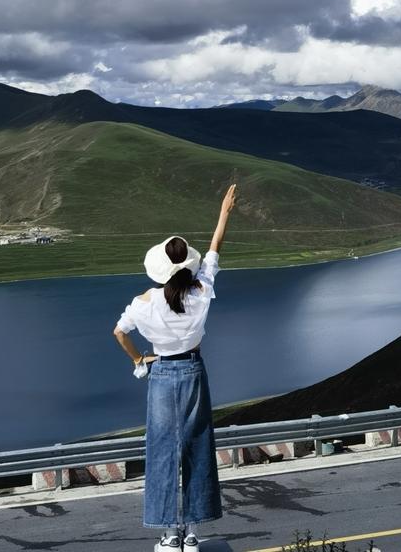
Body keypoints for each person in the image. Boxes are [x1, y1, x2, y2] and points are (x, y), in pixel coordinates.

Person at [113, 183, 237, 551]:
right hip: (194, 371)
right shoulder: (203, 290)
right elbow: (215, 249)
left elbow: (119, 333)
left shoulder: (143, 303)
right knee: (198, 447)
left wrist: (139, 359)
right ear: (188, 264)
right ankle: (194, 531)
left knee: (162, 450)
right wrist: (224, 212)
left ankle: (168, 534)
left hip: (163, 373)